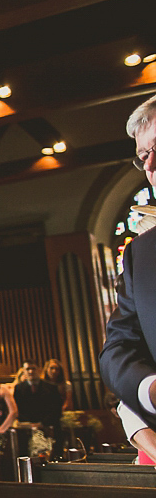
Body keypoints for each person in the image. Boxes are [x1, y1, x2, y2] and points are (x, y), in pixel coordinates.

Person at [102, 94, 156, 447]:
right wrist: (147, 390)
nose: (151, 164)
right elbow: (117, 350)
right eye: (143, 155)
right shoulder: (142, 253)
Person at [11, 359, 62, 438]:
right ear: (24, 371)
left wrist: (42, 423)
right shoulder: (18, 388)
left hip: (48, 427)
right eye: (28, 369)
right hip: (26, 428)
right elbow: (17, 408)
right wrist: (30, 424)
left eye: (33, 368)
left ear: (39, 369)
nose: (31, 371)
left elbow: (56, 409)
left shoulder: (52, 387)